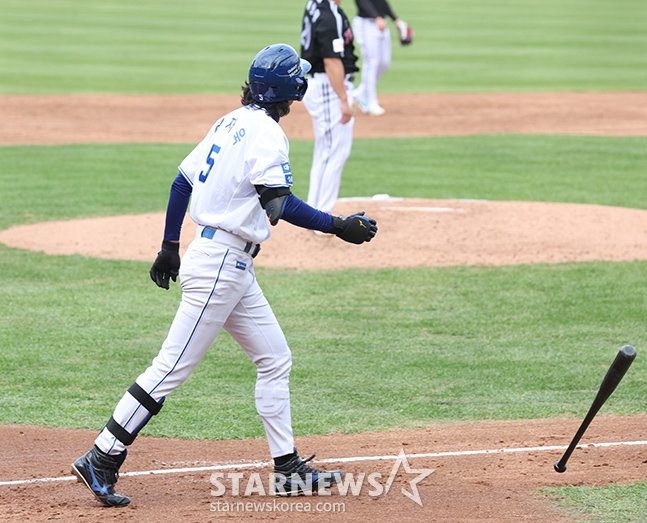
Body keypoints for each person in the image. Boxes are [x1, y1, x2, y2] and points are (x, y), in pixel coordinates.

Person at [70, 43, 377, 508]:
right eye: (297, 77)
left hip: (225, 263)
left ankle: (287, 467)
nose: (302, 82)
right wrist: (338, 226)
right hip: (220, 268)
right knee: (169, 368)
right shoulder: (267, 135)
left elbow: (182, 180)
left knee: (275, 359)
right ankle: (103, 454)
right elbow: (277, 205)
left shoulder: (229, 122)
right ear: (286, 89)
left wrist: (170, 245)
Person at [300, 0, 359, 215]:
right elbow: (331, 61)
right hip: (328, 86)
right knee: (334, 151)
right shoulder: (328, 14)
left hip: (323, 84)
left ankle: (314, 211)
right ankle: (320, 215)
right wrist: (343, 98)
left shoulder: (315, 4)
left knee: (326, 150)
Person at [352, 0, 407, 116]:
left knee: (384, 62)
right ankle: (370, 103)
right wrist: (376, 17)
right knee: (371, 62)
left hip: (381, 23)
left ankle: (360, 94)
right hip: (365, 23)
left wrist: (395, 19)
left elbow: (382, 2)